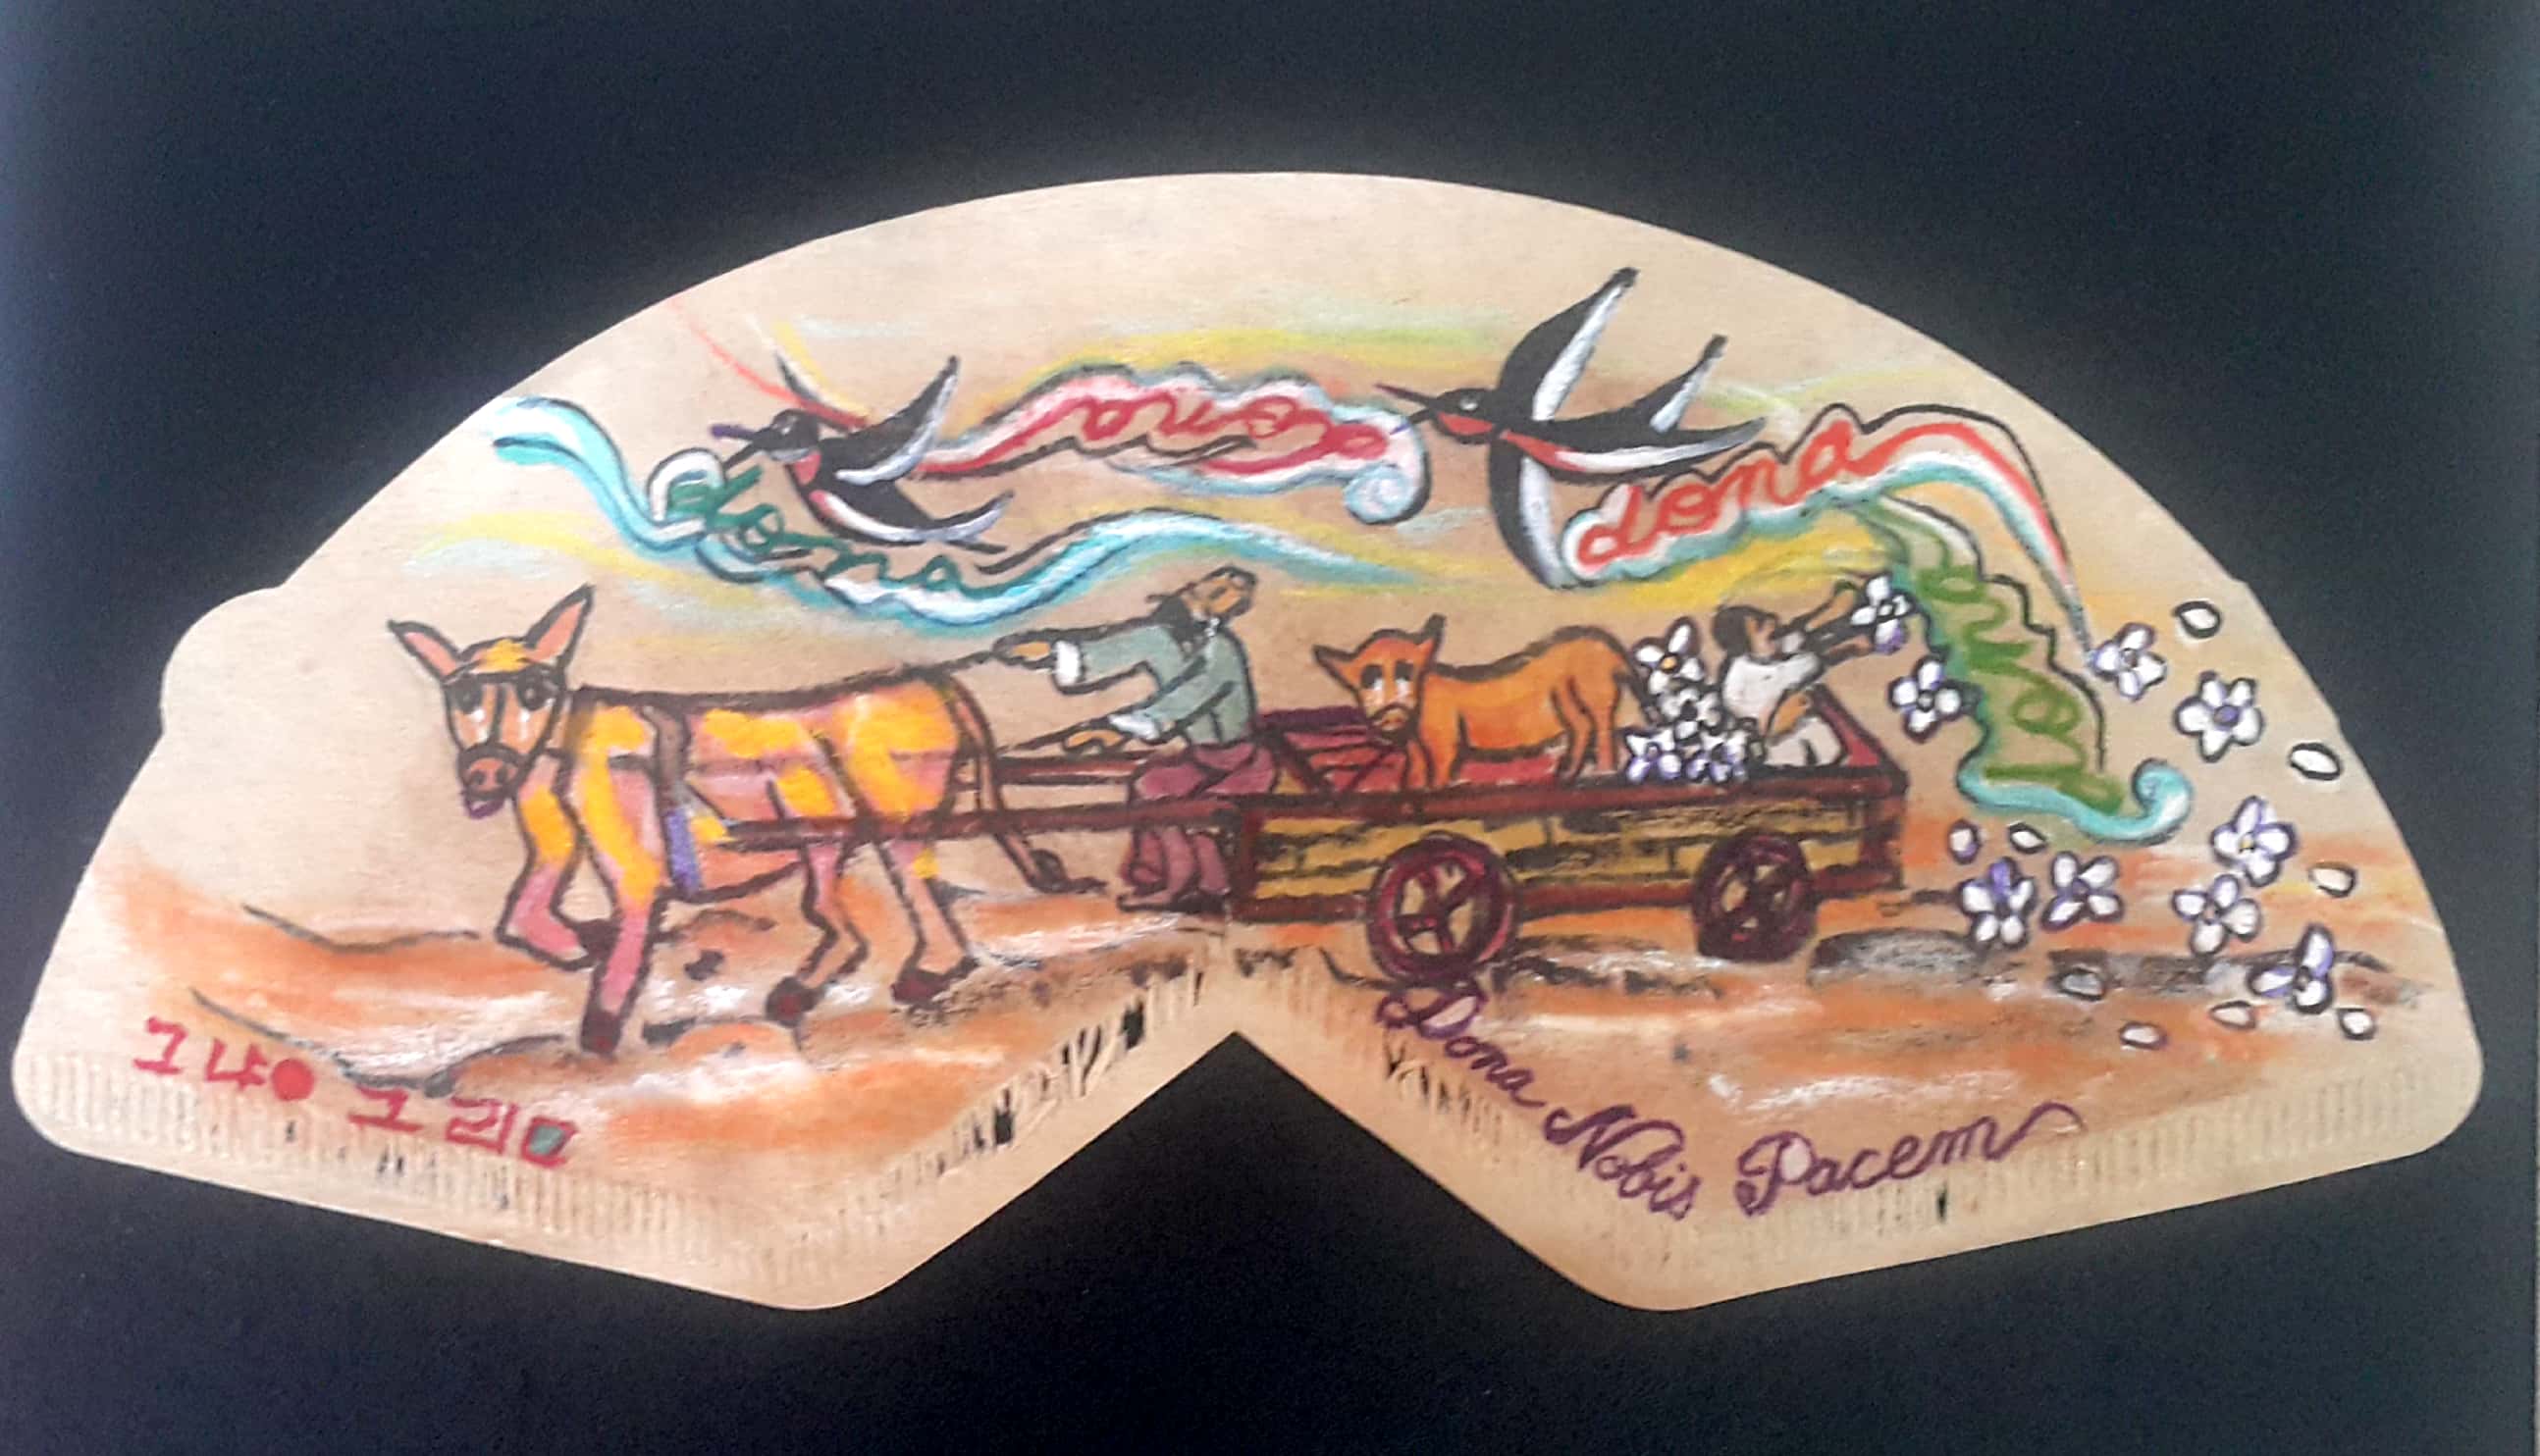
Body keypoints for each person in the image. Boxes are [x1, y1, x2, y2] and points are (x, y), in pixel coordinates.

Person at [996, 566, 1274, 911]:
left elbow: (1190, 696)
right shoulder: (1164, 639)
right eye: (1198, 589)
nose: (1198, 597)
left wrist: (1116, 728)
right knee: (1154, 783)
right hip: (1204, 760)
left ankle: (1181, 883)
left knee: (1158, 789)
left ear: (1229, 609)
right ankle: (1205, 882)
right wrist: (1054, 652)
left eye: (1220, 594)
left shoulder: (1222, 651)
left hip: (1238, 763)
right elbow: (1120, 647)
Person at [1712, 581, 1869, 768]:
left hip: (1802, 718)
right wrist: (1765, 723)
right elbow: (1738, 707)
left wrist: (1837, 614)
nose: (1771, 625)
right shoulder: (1740, 675)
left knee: (1830, 749)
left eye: (1764, 619)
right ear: (1744, 650)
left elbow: (1807, 635)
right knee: (1793, 758)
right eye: (1760, 627)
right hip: (1774, 735)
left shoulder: (1780, 647)